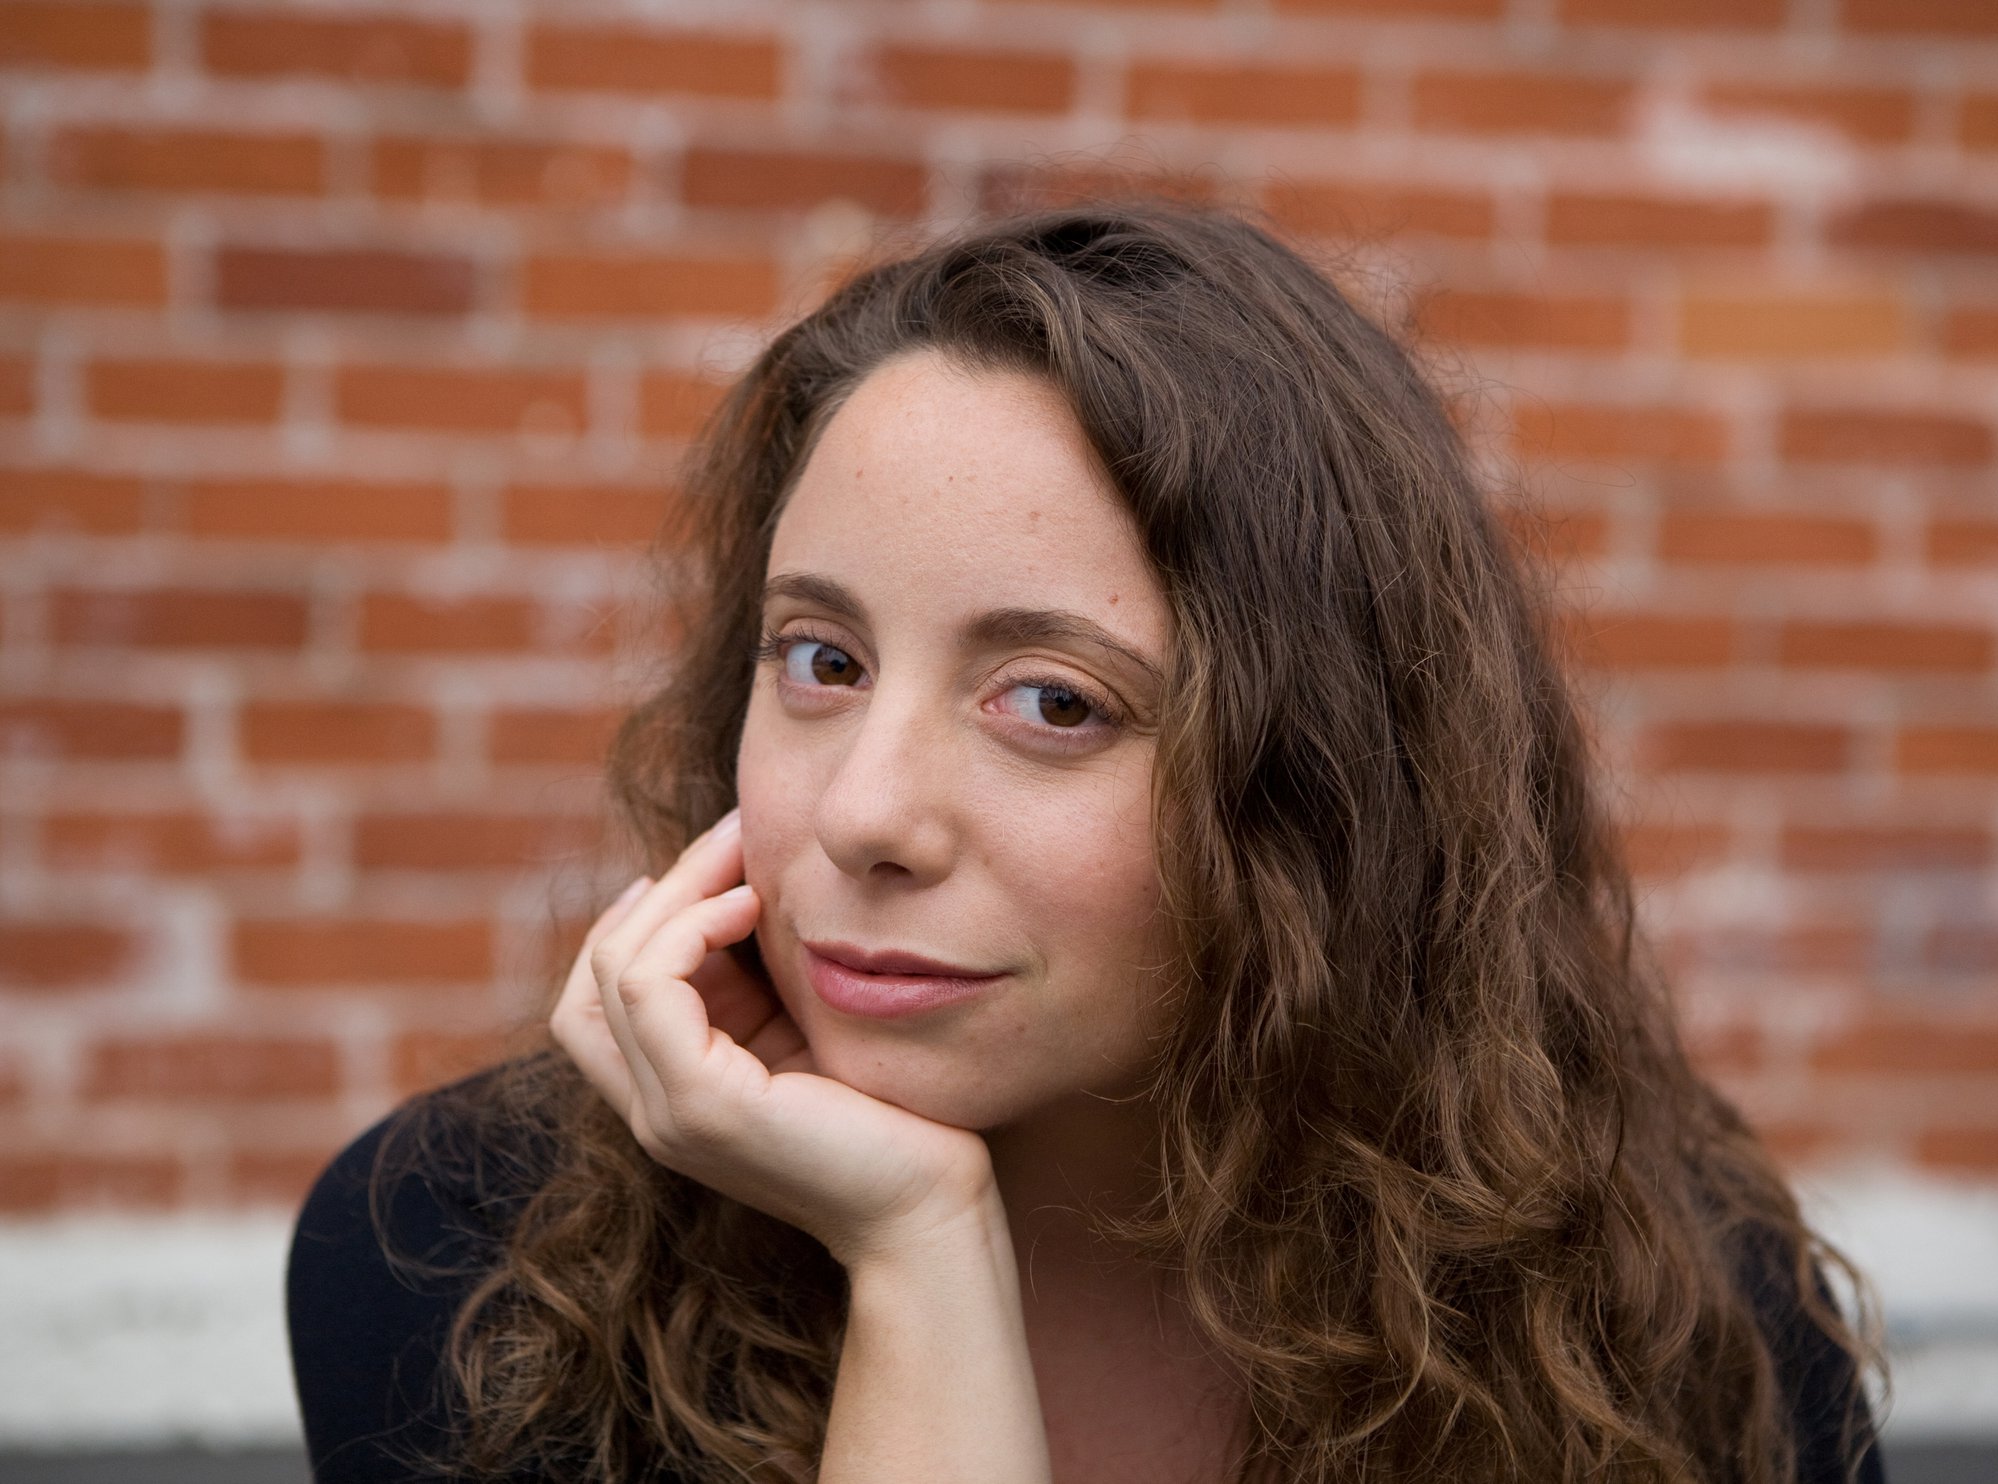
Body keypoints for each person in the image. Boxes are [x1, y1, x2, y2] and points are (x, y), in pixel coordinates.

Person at [287, 198, 1888, 1484]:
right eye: (823, 662)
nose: (863, 815)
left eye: (1052, 701)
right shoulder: (457, 1266)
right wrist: (918, 1256)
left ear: (1319, 791)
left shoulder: (1669, 1314)